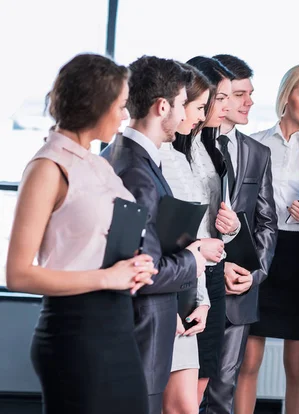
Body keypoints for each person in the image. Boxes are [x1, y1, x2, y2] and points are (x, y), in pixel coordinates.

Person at [6, 53, 157, 414]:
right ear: (97, 105)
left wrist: (135, 264)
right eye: (120, 106)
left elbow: (95, 242)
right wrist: (108, 277)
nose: (124, 115)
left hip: (117, 326)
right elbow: (17, 274)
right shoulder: (48, 167)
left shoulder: (97, 164)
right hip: (75, 333)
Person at [101, 55, 207, 414]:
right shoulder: (137, 171)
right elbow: (144, 271)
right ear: (162, 106)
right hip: (140, 330)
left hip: (138, 328)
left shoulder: (121, 155)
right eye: (180, 104)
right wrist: (195, 258)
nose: (183, 115)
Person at [236, 64, 299, 414]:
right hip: (260, 254)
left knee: (297, 366)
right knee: (247, 362)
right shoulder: (256, 144)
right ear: (286, 96)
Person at [200, 54, 277, 414]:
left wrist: (254, 274)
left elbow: (267, 222)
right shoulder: (188, 145)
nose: (247, 102)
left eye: (248, 94)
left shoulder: (257, 153)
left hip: (239, 292)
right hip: (194, 283)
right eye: (239, 93)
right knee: (185, 390)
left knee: (223, 390)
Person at [161, 64, 240, 413]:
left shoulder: (209, 147)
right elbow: (174, 231)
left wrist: (232, 227)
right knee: (179, 392)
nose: (224, 106)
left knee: (203, 378)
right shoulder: (168, 155)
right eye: (217, 99)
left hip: (204, 271)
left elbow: (211, 220)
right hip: (183, 269)